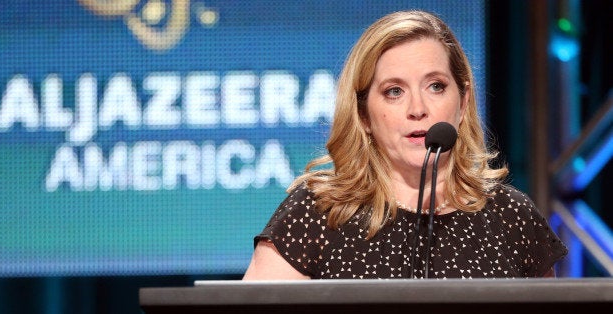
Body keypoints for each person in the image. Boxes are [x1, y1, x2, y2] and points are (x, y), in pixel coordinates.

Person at [242, 10, 567, 280]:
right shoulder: (319, 212)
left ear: (463, 101)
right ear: (364, 114)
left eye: (436, 86)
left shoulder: (511, 216)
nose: (417, 108)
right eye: (394, 91)